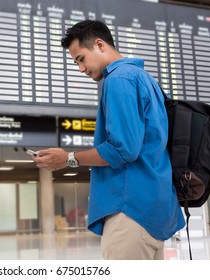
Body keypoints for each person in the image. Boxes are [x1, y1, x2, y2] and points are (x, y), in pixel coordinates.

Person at [32, 20, 185, 260]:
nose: (81, 69)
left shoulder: (118, 79)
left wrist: (68, 158)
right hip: (155, 209)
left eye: (80, 59)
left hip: (130, 211)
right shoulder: (145, 79)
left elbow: (122, 150)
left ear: (99, 45)